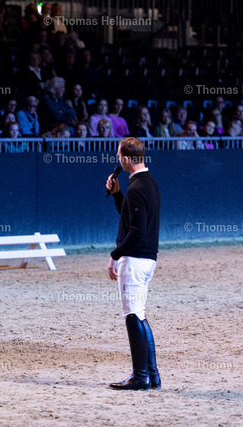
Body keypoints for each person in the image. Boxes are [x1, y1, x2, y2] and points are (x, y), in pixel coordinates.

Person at [106, 137, 161, 391]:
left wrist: (115, 255)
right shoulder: (148, 183)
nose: (118, 161)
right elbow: (131, 220)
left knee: (132, 316)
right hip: (146, 259)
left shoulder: (138, 188)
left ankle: (140, 376)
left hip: (135, 259)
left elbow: (136, 232)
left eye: (119, 157)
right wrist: (118, 196)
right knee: (139, 315)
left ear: (127, 159)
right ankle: (151, 374)